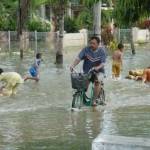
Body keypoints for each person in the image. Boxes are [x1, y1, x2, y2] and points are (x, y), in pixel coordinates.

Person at [70, 36, 106, 106]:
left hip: (99, 71)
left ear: (98, 44)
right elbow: (78, 58)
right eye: (91, 43)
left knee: (97, 82)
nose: (91, 45)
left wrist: (97, 67)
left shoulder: (102, 51)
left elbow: (103, 63)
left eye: (94, 43)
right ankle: (81, 98)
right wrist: (73, 65)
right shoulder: (86, 50)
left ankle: (94, 100)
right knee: (83, 87)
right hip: (88, 71)